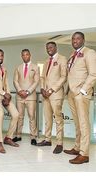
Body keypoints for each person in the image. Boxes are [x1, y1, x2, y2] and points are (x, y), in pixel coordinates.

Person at [64, 32, 96, 164]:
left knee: (83, 123)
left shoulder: (90, 52)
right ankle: (77, 147)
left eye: (78, 38)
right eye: (73, 38)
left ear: (83, 40)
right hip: (71, 93)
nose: (75, 40)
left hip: (81, 93)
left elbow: (93, 73)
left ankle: (84, 154)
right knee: (77, 123)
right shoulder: (73, 54)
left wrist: (83, 90)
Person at [37, 42, 67, 154]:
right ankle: (47, 139)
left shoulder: (62, 59)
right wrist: (42, 88)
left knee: (58, 119)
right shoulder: (46, 61)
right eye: (47, 48)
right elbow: (42, 77)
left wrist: (51, 90)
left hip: (56, 93)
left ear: (55, 48)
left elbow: (64, 77)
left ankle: (59, 143)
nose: (49, 49)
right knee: (47, 118)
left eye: (51, 47)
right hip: (45, 94)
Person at [13, 49, 39, 145]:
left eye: (27, 54)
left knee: (32, 116)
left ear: (30, 55)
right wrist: (20, 91)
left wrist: (27, 92)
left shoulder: (35, 67)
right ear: (21, 56)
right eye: (23, 55)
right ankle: (18, 135)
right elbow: (15, 81)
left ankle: (33, 136)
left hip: (31, 96)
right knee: (19, 116)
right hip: (20, 96)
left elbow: (36, 81)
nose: (25, 56)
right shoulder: (18, 67)